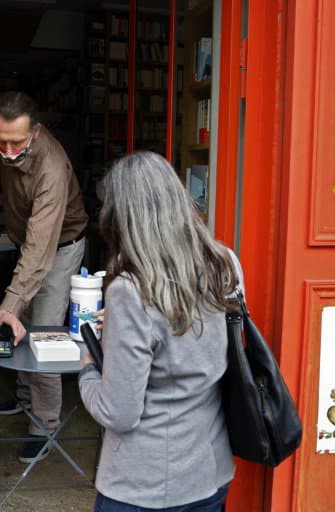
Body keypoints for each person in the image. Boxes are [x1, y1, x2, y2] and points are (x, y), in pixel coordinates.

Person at [78, 151, 241, 511]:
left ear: (122, 219)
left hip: (142, 484)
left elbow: (119, 412)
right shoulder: (225, 265)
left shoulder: (129, 292)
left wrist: (88, 367)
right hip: (209, 470)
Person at [0, 91, 88, 463]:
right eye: (1, 141)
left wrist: (10, 303)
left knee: (45, 332)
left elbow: (42, 248)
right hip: (28, 244)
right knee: (22, 322)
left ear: (38, 132)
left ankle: (44, 426)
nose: (8, 150)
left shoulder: (52, 169)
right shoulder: (11, 146)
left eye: (17, 142)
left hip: (59, 249)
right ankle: (27, 400)